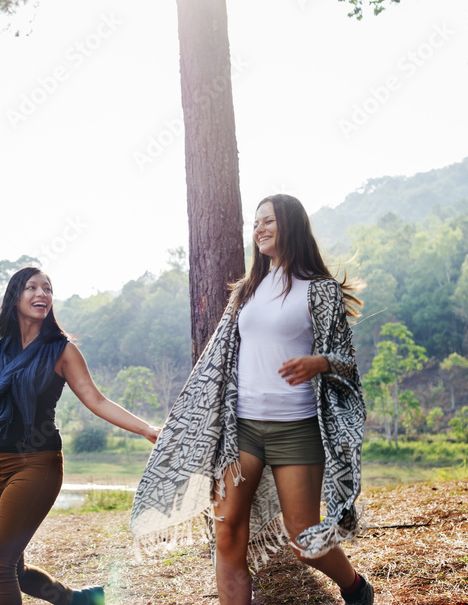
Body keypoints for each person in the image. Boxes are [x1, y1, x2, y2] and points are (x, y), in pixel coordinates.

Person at [131, 194, 372, 605]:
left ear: (291, 225)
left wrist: (319, 362)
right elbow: (217, 360)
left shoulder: (321, 290)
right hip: (242, 429)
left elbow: (347, 362)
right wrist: (186, 421)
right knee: (226, 532)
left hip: (297, 429)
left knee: (302, 538)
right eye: (256, 222)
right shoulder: (248, 289)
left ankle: (354, 587)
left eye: (268, 221)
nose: (258, 229)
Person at [0, 266, 160, 605]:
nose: (42, 294)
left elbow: (96, 400)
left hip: (37, 464)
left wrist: (148, 429)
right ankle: (80, 601)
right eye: (32, 287)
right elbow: (1, 411)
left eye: (48, 288)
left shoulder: (60, 350)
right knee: (13, 569)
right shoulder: (1, 349)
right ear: (15, 297)